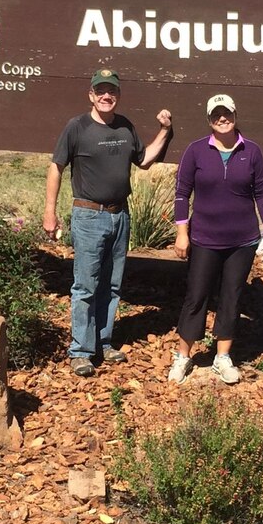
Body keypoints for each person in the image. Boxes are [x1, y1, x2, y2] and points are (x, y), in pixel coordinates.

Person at [44, 69, 173, 377]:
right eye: (100, 90)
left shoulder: (125, 127)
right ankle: (80, 351)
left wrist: (165, 131)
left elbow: (143, 160)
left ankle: (103, 342)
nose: (106, 95)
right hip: (88, 215)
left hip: (120, 215)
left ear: (117, 95)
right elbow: (55, 167)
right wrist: (49, 211)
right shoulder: (77, 127)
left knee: (112, 285)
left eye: (111, 91)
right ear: (91, 94)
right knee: (85, 286)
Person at [168, 94, 263, 385]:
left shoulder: (251, 151)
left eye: (226, 113)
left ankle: (222, 357)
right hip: (204, 238)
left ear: (235, 114)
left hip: (242, 241)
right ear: (209, 119)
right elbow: (182, 193)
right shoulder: (196, 151)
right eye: (216, 115)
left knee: (232, 296)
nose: (222, 119)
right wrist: (182, 232)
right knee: (196, 296)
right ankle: (183, 356)